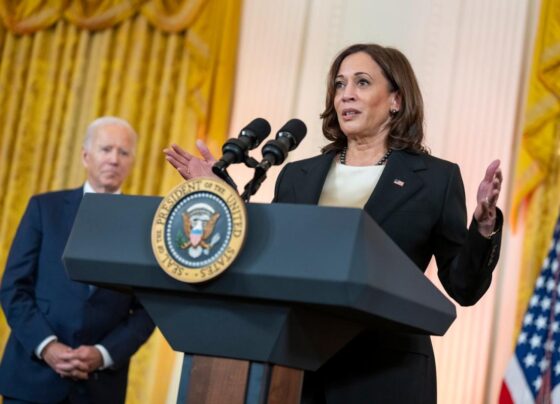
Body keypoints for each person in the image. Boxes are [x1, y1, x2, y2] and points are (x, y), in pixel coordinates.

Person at [163, 43, 503, 403]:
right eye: (340, 85)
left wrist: (483, 226)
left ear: (396, 100)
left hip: (386, 372)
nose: (346, 95)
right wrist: (223, 194)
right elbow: (270, 251)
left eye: (362, 83)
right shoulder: (298, 175)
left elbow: (463, 287)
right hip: (298, 367)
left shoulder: (435, 179)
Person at [0, 117, 155, 404]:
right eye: (106, 149)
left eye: (123, 153)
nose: (114, 159)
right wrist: (47, 346)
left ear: (132, 162)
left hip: (98, 388)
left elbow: (148, 309)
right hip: (31, 379)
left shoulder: (146, 226)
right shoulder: (44, 208)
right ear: (86, 156)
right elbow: (13, 287)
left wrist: (104, 354)